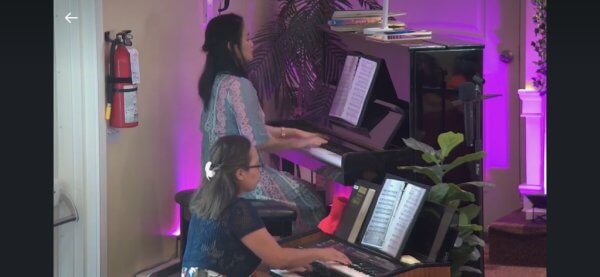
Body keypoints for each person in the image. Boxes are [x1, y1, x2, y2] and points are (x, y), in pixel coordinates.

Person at [198, 13, 328, 232]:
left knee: (306, 190)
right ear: (232, 47)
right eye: (247, 38)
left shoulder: (216, 83)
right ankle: (290, 259)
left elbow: (249, 128)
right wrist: (302, 144)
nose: (252, 43)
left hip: (215, 181)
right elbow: (258, 141)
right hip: (241, 183)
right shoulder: (240, 86)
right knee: (313, 200)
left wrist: (296, 133)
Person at [182, 135, 351, 276]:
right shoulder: (238, 209)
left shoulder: (206, 200)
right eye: (258, 165)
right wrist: (322, 253)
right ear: (240, 173)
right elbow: (279, 259)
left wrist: (279, 264)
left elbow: (233, 255)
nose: (260, 171)